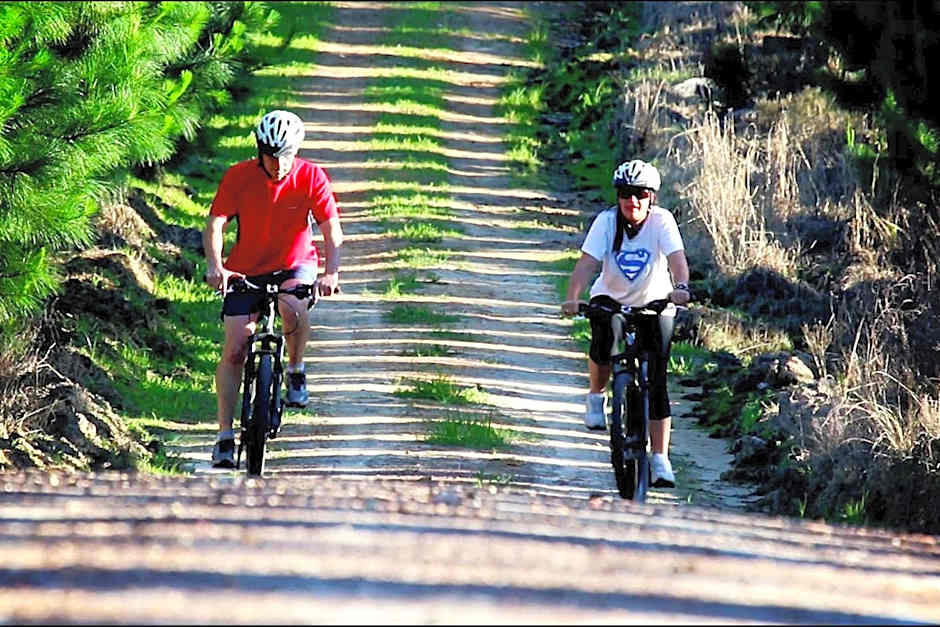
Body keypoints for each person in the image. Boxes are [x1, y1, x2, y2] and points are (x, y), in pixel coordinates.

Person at [202, 109, 344, 469]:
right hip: (245, 269)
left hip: (295, 264)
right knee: (235, 348)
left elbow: (331, 231)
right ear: (259, 151)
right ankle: (223, 436)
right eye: (271, 156)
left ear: (296, 152)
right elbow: (216, 224)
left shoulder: (312, 177)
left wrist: (331, 273)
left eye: (286, 156)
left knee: (293, 309)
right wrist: (216, 267)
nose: (279, 164)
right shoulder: (239, 177)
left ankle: (295, 368)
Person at [561, 159, 690, 487]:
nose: (632, 201)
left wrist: (682, 288)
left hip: (656, 302)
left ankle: (660, 457)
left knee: (657, 380)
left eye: (640, 194)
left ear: (652, 198)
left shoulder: (662, 222)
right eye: (625, 194)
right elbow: (587, 263)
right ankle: (595, 396)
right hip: (611, 298)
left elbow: (677, 260)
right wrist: (573, 296)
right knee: (604, 342)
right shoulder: (606, 222)